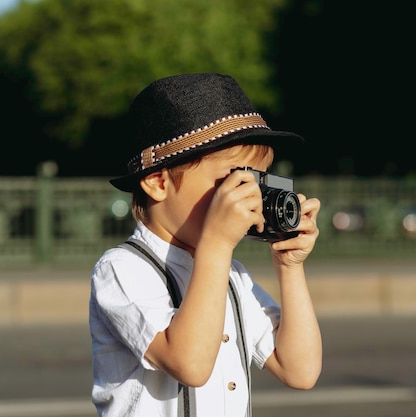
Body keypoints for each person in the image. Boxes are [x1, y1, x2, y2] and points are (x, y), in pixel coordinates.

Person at [89, 72, 322, 417]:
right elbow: (190, 365)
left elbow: (299, 370)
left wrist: (289, 266)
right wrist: (216, 245)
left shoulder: (231, 275)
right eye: (231, 181)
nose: (246, 196)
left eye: (256, 181)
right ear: (157, 183)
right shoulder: (122, 269)